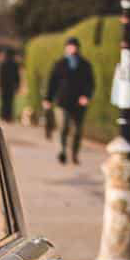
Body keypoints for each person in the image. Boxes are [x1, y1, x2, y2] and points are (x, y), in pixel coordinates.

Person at [42, 36, 94, 164]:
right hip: (62, 101)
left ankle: (74, 154)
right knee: (63, 127)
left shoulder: (85, 64)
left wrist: (86, 96)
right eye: (70, 46)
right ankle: (62, 151)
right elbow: (52, 82)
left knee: (77, 130)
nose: (72, 49)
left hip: (79, 103)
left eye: (74, 46)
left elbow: (90, 83)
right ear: (66, 48)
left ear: (78, 48)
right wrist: (48, 99)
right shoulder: (59, 63)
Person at [0, 48, 21, 122]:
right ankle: (8, 116)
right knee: (10, 101)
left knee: (4, 101)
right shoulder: (14, 64)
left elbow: (0, 76)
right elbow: (17, 76)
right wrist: (17, 85)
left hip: (5, 85)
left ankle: (4, 116)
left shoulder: (2, 64)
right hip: (11, 85)